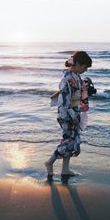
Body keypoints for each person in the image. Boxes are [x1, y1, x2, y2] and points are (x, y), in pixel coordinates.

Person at [45, 51, 93, 182]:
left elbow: (78, 92)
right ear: (77, 64)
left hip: (74, 112)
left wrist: (86, 88)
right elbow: (64, 101)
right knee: (69, 141)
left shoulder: (76, 76)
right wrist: (71, 116)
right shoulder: (67, 78)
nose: (85, 70)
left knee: (72, 139)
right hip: (66, 114)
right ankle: (50, 162)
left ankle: (65, 169)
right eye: (84, 67)